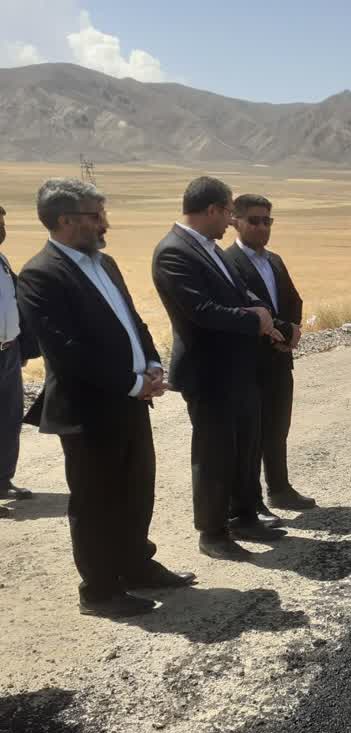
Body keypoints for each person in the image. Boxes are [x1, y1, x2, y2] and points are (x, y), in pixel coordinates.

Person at [17, 179, 195, 618]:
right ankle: (98, 591)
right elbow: (67, 351)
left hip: (131, 400)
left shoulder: (106, 264)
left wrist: (151, 363)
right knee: (96, 501)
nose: (105, 224)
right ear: (66, 221)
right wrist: (132, 383)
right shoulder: (41, 274)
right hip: (88, 410)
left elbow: (132, 321)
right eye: (96, 216)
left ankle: (136, 565)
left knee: (136, 489)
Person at [153, 177, 290, 560]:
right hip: (209, 372)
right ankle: (213, 532)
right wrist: (255, 319)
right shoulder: (174, 252)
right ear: (212, 209)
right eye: (229, 212)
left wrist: (270, 319)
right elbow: (201, 312)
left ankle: (244, 516)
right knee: (215, 456)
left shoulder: (210, 249)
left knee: (245, 448)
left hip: (239, 369)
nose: (231, 220)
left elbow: (238, 294)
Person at [224, 194, 316, 513]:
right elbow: (241, 306)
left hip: (279, 358)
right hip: (249, 362)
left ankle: (280, 488)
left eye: (267, 221)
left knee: (277, 427)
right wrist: (278, 331)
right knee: (250, 435)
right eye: (254, 221)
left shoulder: (274, 260)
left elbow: (293, 300)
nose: (262, 227)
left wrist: (292, 331)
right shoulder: (228, 262)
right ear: (235, 221)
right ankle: (251, 503)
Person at [0, 205, 41, 516]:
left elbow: (15, 303)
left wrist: (25, 347)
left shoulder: (1, 260)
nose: (2, 229)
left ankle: (3, 480)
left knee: (9, 418)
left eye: (2, 222)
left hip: (8, 352)